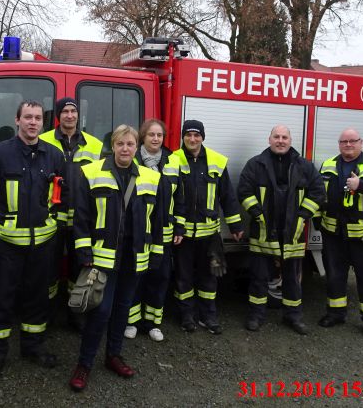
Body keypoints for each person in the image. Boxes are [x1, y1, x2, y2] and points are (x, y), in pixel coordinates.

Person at [0, 100, 67, 381]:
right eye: (27, 117)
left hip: (43, 245)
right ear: (17, 120)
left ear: (43, 122)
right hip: (7, 246)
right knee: (2, 299)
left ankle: (32, 347)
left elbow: (62, 196)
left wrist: (56, 226)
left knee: (37, 300)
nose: (33, 122)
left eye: (38, 118)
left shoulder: (53, 155)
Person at [68, 125, 162, 392]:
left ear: (137, 146)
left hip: (135, 259)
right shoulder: (93, 172)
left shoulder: (150, 177)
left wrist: (155, 254)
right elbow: (81, 217)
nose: (125, 149)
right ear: (113, 145)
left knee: (122, 310)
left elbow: (157, 221)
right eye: (120, 143)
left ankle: (113, 356)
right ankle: (84, 364)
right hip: (103, 258)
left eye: (130, 144)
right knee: (101, 312)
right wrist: (84, 252)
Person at [237, 125, 324, 335]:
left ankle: (293, 317)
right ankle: (256, 316)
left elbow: (318, 191)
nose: (280, 140)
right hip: (264, 232)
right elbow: (243, 190)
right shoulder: (255, 165)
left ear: (290, 140)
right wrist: (258, 214)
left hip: (292, 233)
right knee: (259, 278)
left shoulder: (304, 166)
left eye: (284, 137)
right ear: (269, 139)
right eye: (276, 136)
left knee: (292, 279)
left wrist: (303, 215)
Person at [317, 128, 363, 339]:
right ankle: (335, 314)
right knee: (334, 276)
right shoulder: (329, 164)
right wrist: (317, 220)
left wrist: (362, 185)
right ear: (339, 144)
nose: (348, 145)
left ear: (361, 142)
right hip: (333, 233)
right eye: (343, 142)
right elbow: (319, 193)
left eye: (352, 141)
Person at [172, 120, 244, 334]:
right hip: (182, 234)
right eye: (188, 135)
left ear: (203, 137)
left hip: (209, 235)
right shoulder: (172, 159)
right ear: (183, 137)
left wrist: (236, 224)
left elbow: (227, 196)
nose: (192, 139)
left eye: (196, 135)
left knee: (209, 277)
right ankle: (186, 316)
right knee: (183, 277)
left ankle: (208, 317)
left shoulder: (217, 161)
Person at [40, 97, 103, 330]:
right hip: (51, 218)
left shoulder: (95, 145)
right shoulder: (44, 141)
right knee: (49, 270)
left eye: (73, 111)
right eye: (65, 111)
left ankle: (76, 314)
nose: (69, 115)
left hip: (81, 219)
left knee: (80, 269)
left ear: (78, 115)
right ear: (58, 115)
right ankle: (47, 314)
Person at [124, 119, 185, 342]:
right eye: (151, 135)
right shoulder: (133, 160)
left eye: (159, 135)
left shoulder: (172, 161)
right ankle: (132, 321)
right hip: (138, 232)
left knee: (159, 278)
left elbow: (180, 198)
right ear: (143, 136)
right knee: (135, 277)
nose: (156, 139)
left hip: (165, 233)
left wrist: (179, 225)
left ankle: (153, 323)